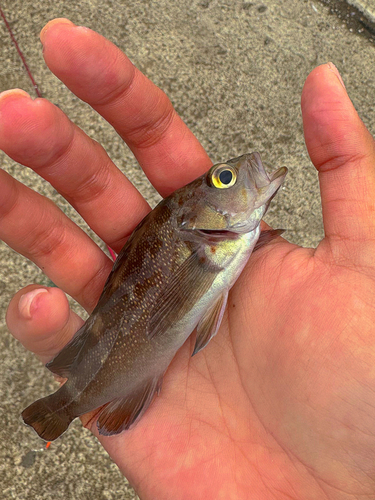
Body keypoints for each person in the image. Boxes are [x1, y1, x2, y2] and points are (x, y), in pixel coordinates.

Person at [1, 17, 375, 499]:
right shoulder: (213, 245)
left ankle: (70, 401)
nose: (236, 174)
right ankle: (67, 402)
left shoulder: (222, 243)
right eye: (223, 179)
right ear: (199, 218)